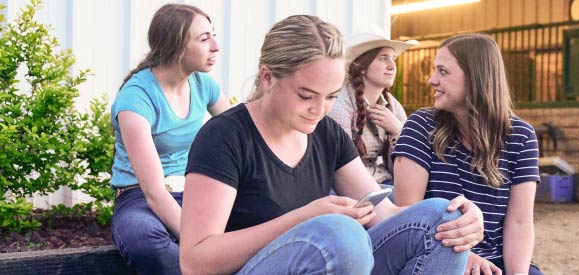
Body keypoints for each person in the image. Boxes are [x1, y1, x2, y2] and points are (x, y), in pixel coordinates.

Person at [179, 15, 485, 275]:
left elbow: (384, 213)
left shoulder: (324, 131)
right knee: (339, 235)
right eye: (305, 95)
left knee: (442, 219)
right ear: (268, 77)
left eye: (331, 96)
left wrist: (464, 219)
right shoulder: (225, 136)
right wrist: (304, 218)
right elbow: (195, 261)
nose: (320, 109)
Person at [392, 33, 544, 275]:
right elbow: (410, 220)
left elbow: (520, 222)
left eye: (443, 71)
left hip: (498, 259)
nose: (432, 80)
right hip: (435, 252)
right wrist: (465, 258)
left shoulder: (521, 136)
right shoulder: (420, 125)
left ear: (475, 79)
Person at [109, 4, 230, 274]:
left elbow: (241, 138)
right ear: (176, 46)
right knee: (144, 239)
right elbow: (153, 192)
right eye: (204, 39)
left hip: (196, 192)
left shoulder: (204, 85)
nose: (216, 46)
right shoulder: (135, 99)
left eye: (213, 34)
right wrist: (198, 244)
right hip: (139, 198)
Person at [328, 29, 416, 188]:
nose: (392, 66)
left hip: (384, 179)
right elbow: (339, 164)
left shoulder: (393, 105)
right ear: (362, 67)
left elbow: (407, 168)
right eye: (383, 59)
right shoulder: (341, 104)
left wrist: (397, 130)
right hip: (351, 186)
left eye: (393, 59)